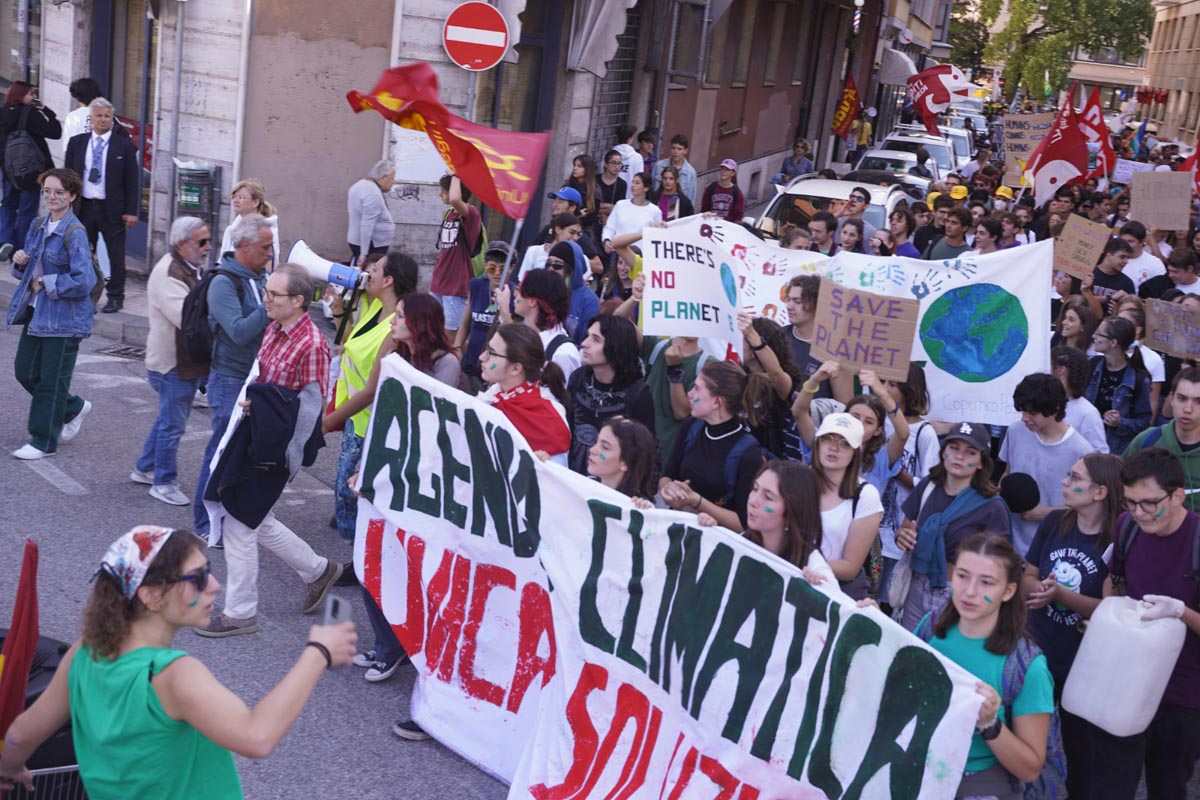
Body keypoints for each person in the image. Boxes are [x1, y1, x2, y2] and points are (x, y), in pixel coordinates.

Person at [0, 525, 358, 799]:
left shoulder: (86, 651)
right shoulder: (172, 674)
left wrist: (10, 770)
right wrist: (318, 653)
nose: (215, 585)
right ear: (151, 595)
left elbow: (18, 736)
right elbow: (257, 738)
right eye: (198, 578)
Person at [197, 264, 343, 637]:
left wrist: (282, 458)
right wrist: (253, 405)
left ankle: (240, 613)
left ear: (298, 300)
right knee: (257, 520)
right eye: (266, 292)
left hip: (275, 452)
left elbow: (310, 412)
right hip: (254, 438)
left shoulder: (312, 344)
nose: (266, 300)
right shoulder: (275, 329)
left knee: (240, 523)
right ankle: (318, 570)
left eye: (273, 295)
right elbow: (264, 382)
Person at [912, 533, 1054, 797]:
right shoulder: (929, 628)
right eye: (962, 576)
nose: (970, 591)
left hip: (976, 784)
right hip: (915, 770)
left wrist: (990, 724)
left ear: (1009, 591)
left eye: (986, 582)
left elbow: (1030, 769)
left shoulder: (1027, 666)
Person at [1095, 448, 1200, 800]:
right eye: (1130, 503)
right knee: (1110, 781)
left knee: (1167, 786)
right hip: (1126, 680)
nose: (1139, 513)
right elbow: (1116, 580)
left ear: (1178, 495)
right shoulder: (1127, 527)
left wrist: (1180, 612)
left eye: (1149, 503)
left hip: (1183, 694)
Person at [1022, 453, 1122, 799]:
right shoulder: (1055, 523)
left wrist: (1061, 594)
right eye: (1067, 475)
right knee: (1027, 740)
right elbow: (1029, 575)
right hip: (1038, 653)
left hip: (1082, 663)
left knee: (1081, 752)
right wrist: (1042, 591)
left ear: (1100, 492)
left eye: (1074, 477)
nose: (1065, 482)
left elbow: (1110, 610)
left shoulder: (1116, 540)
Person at [190, 213, 273, 538]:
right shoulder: (224, 283)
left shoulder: (258, 277)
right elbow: (238, 332)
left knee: (245, 452)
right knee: (222, 449)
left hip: (255, 378)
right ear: (244, 246)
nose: (269, 253)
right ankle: (203, 520)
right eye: (264, 247)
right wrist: (268, 306)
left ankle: (230, 514)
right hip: (229, 379)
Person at [325, 252, 417, 543]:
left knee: (350, 491)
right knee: (348, 490)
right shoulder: (375, 307)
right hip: (356, 419)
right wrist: (340, 309)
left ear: (388, 280)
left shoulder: (395, 330)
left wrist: (327, 422)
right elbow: (349, 344)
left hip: (372, 425)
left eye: (374, 269)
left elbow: (371, 391)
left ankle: (363, 555)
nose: (368, 272)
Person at [5, 167, 96, 460]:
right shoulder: (37, 226)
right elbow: (27, 272)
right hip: (36, 311)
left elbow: (84, 281)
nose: (52, 197)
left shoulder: (75, 232)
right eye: (47, 191)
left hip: (65, 318)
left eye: (59, 192)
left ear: (71, 196)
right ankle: (72, 407)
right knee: (24, 371)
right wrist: (20, 262)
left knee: (50, 380)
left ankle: (43, 440)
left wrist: (46, 282)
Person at [895, 422, 1012, 630]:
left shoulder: (993, 507)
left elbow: (998, 564)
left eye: (970, 452)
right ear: (944, 453)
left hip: (960, 594)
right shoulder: (927, 486)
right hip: (917, 584)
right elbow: (905, 529)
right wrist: (902, 537)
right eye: (954, 448)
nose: (959, 456)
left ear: (981, 463)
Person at [133, 217, 213, 504]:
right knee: (173, 424)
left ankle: (145, 467)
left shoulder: (189, 266)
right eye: (202, 242)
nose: (208, 247)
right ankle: (163, 482)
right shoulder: (170, 272)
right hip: (172, 364)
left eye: (208, 240)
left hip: (183, 363)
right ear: (182, 244)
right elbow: (186, 318)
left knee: (168, 418)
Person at [660, 360, 764, 532]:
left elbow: (743, 522)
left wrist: (697, 502)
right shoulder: (691, 426)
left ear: (717, 402)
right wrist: (668, 489)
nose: (690, 393)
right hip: (677, 529)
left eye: (697, 389)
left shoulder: (748, 453)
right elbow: (667, 476)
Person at [1000, 373, 1097, 556]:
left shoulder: (1081, 451)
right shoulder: (1015, 431)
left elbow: (1088, 506)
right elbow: (1007, 474)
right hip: (1010, 544)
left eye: (1032, 413)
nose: (1024, 418)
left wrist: (1043, 513)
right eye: (1022, 410)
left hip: (1051, 547)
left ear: (1054, 409)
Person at [64, 97, 138, 314]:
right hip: (84, 207)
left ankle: (116, 296)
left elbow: (131, 181)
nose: (103, 120)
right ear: (92, 118)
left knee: (115, 256)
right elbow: (68, 176)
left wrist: (131, 211)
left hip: (112, 209)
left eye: (107, 116)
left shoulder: (123, 146)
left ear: (112, 119)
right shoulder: (77, 143)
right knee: (83, 254)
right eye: (99, 116)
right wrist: (66, 205)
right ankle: (85, 295)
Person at [878, 363, 940, 607]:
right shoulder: (877, 422)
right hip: (874, 533)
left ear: (908, 390)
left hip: (898, 538)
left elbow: (929, 485)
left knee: (888, 603)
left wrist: (895, 470)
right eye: (882, 382)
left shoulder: (924, 433)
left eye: (892, 384)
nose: (884, 389)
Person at [805, 411, 883, 599]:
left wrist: (804, 565)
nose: (834, 447)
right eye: (827, 439)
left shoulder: (866, 495)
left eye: (845, 443)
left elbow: (850, 567)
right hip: (796, 583)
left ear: (855, 453)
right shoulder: (797, 481)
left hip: (838, 594)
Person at [567, 314, 654, 473]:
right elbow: (565, 429)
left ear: (616, 346)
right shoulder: (578, 378)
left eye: (596, 339)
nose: (584, 344)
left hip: (611, 487)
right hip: (572, 480)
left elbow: (646, 454)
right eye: (587, 336)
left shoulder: (638, 394)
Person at [479, 323, 571, 463]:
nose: (482, 357)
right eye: (487, 349)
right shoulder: (496, 393)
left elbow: (556, 477)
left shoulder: (550, 418)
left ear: (515, 368)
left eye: (492, 353)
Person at [1123, 367, 1200, 512]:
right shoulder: (1147, 440)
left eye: (1198, 401)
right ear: (1171, 398)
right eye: (1181, 398)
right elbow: (1119, 485)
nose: (1188, 409)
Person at [0, 81, 62, 260]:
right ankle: (19, 250)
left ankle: (4, 241)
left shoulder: (2, 113)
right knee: (27, 209)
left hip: (8, 170)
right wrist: (46, 110)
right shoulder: (31, 114)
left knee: (8, 205)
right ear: (21, 96)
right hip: (31, 171)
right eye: (30, 94)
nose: (33, 97)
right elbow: (55, 132)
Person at [496, 267, 581, 381]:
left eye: (520, 289)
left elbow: (558, 396)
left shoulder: (562, 353)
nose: (515, 294)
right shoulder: (528, 333)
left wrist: (505, 313)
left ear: (532, 301)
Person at [738, 313, 804, 460]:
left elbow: (776, 374)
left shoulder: (782, 382)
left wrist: (751, 333)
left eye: (742, 339)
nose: (737, 343)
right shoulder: (738, 377)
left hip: (771, 464)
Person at [1084, 316, 1152, 454]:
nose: (1093, 336)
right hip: (1087, 443)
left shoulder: (1138, 380)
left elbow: (1144, 422)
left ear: (1114, 342)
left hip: (1116, 451)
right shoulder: (1092, 365)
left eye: (1098, 333)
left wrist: (1120, 423)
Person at [742, 461, 824, 574]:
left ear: (793, 512)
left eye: (768, 497)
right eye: (755, 489)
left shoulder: (814, 565)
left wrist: (815, 585)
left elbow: (829, 589)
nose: (753, 501)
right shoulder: (738, 542)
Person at [455, 242, 516, 394]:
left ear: (512, 268)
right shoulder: (476, 285)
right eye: (491, 267)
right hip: (471, 362)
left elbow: (514, 334)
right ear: (485, 265)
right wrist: (455, 348)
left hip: (496, 369)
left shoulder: (516, 295)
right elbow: (465, 323)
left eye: (503, 268)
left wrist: (505, 308)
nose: (497, 273)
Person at [783, 274, 851, 402]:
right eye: (789, 300)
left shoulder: (835, 348)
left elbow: (845, 406)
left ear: (816, 304)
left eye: (798, 301)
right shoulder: (779, 336)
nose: (789, 306)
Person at [431, 173, 482, 336]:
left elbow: (455, 199)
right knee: (432, 330)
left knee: (451, 336)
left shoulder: (471, 214)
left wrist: (456, 174)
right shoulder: (449, 214)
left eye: (444, 191)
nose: (440, 194)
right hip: (439, 282)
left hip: (455, 286)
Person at [1050, 345, 1110, 454]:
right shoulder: (1041, 404)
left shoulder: (1087, 412)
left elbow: (1099, 455)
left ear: (1060, 370)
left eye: (1050, 364)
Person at [587, 416, 658, 505]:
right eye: (596, 442)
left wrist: (644, 511)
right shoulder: (584, 485)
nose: (592, 450)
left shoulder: (638, 504)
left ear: (625, 463)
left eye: (605, 447)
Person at [221, 179, 280, 267]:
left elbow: (268, 266)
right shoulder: (231, 230)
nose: (235, 201)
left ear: (255, 202)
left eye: (241, 197)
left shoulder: (267, 232)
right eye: (234, 196)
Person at [602, 172, 661, 256]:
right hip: (618, 253)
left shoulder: (655, 211)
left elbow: (656, 236)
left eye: (637, 183)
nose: (633, 185)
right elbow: (610, 227)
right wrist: (606, 240)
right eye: (632, 182)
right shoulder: (620, 205)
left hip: (641, 255)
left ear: (646, 188)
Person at [518, 212, 584, 281]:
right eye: (571, 232)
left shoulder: (580, 257)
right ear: (558, 229)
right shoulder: (534, 251)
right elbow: (522, 281)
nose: (575, 238)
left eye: (579, 234)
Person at [1120, 221, 1166, 292]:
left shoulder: (1155, 264)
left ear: (1141, 242)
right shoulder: (1112, 260)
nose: (1125, 244)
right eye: (1123, 240)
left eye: (1130, 241)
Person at [652, 133, 697, 204]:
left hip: (679, 210)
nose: (675, 152)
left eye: (679, 149)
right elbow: (652, 190)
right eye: (673, 148)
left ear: (685, 151)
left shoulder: (690, 173)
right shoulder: (659, 166)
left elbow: (691, 199)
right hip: (659, 206)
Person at [567, 155, 602, 232]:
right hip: (564, 226)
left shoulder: (594, 191)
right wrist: (577, 215)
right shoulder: (567, 186)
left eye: (579, 166)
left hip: (584, 230)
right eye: (574, 165)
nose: (575, 168)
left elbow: (590, 219)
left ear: (587, 169)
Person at [597, 149, 629, 224]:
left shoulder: (622, 184)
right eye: (613, 163)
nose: (617, 167)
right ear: (606, 164)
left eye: (619, 163)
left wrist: (602, 206)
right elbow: (591, 206)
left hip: (611, 222)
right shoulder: (596, 180)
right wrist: (609, 206)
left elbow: (618, 208)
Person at [612, 123, 643, 189]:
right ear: (630, 138)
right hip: (630, 196)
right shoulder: (637, 158)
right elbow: (640, 179)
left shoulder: (608, 155)